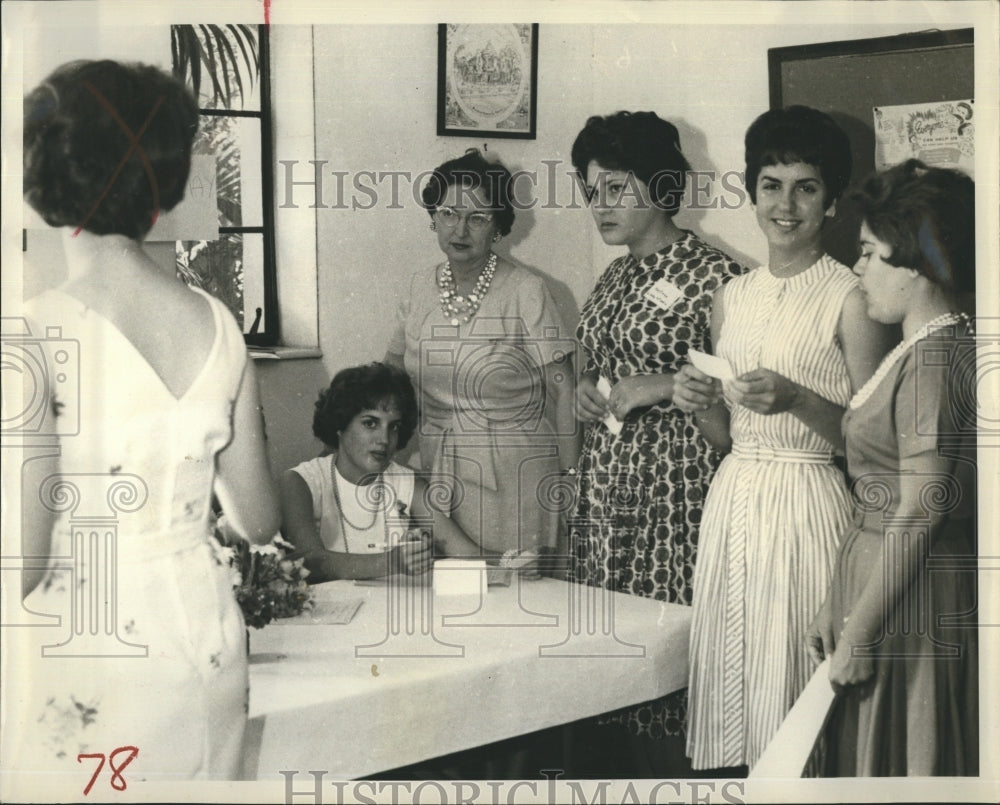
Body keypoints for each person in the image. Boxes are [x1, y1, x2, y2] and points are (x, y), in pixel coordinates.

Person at [13, 60, 279, 781]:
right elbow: (257, 518)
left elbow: (24, 562)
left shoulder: (32, 335)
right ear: (160, 185)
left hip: (90, 643)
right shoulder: (219, 324)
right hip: (204, 635)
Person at [675, 106, 895, 772]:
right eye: (771, 184)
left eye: (806, 187)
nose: (786, 204)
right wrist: (698, 403)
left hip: (808, 509)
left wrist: (799, 397)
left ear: (831, 200)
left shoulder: (853, 298)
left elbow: (874, 444)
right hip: (735, 500)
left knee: (798, 706)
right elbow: (725, 435)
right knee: (735, 698)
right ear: (752, 189)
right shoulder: (730, 296)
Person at [567, 110, 746, 776]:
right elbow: (600, 366)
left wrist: (663, 383)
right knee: (608, 657)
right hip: (609, 487)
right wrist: (591, 389)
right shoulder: (613, 276)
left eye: (615, 188)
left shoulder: (713, 275)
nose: (600, 206)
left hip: (675, 492)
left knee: (668, 657)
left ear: (659, 184)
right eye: (591, 191)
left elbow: (740, 396)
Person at [806, 160, 978, 776]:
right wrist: (836, 598)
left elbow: (919, 509)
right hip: (882, 577)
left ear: (918, 262)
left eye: (871, 253)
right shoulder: (916, 346)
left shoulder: (933, 358)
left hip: (912, 593)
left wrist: (862, 634)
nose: (858, 268)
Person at [385, 149, 577, 556]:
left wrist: (571, 479)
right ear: (433, 218)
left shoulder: (527, 290)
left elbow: (563, 391)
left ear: (499, 228)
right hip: (438, 463)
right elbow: (394, 374)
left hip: (516, 473)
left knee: (515, 592)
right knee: (450, 593)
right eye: (449, 213)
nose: (460, 230)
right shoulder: (418, 287)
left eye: (478, 218)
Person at [280, 363, 490, 581]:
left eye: (394, 427)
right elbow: (308, 562)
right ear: (340, 424)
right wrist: (392, 562)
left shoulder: (406, 481)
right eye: (370, 423)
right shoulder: (299, 481)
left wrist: (515, 559)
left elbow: (467, 553)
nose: (384, 439)